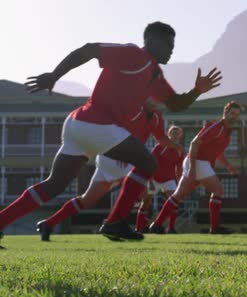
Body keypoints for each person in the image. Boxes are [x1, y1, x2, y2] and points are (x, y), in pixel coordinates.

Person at [0, 21, 221, 247]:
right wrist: (54, 75)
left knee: (53, 185)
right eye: (167, 44)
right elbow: (89, 49)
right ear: (151, 41)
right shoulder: (134, 54)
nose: (171, 49)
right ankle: (115, 222)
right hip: (95, 124)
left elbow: (175, 104)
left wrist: (196, 91)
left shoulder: (154, 74)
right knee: (147, 162)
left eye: (173, 45)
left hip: (79, 125)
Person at [36, 106, 182, 241]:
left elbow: (159, 138)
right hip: (119, 157)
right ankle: (114, 225)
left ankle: (48, 223)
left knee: (87, 199)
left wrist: (182, 149)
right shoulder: (136, 108)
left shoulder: (149, 112)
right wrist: (124, 152)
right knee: (142, 193)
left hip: (109, 158)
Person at [149, 101, 243, 235]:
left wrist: (228, 166)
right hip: (198, 162)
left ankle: (156, 225)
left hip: (197, 163)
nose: (235, 117)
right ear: (225, 113)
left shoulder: (227, 132)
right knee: (218, 190)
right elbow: (194, 143)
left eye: (237, 115)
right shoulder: (216, 126)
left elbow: (218, 153)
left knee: (178, 196)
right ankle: (215, 228)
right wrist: (193, 168)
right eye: (232, 113)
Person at [135, 126, 185, 234]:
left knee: (174, 201)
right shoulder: (160, 146)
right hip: (155, 178)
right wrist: (150, 179)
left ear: (180, 136)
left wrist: (180, 182)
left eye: (178, 134)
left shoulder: (180, 151)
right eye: (173, 133)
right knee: (146, 202)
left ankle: (171, 228)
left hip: (169, 180)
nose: (175, 135)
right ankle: (139, 228)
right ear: (169, 134)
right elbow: (151, 162)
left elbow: (179, 168)